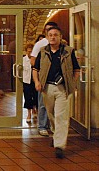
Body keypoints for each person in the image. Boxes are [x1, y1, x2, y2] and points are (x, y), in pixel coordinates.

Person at [32, 26, 80, 158]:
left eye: (55, 35)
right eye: (50, 35)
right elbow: (35, 69)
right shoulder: (43, 52)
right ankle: (55, 133)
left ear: (60, 37)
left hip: (62, 89)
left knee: (61, 116)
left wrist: (73, 83)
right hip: (47, 88)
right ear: (47, 37)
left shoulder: (68, 52)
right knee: (51, 114)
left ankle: (59, 145)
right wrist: (37, 82)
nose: (53, 37)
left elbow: (76, 69)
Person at [30, 21, 57, 136]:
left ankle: (53, 125)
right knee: (43, 103)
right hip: (44, 78)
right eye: (48, 30)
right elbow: (33, 61)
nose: (51, 33)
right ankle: (42, 126)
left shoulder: (62, 46)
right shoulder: (40, 45)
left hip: (57, 80)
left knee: (56, 104)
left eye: (52, 30)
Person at [23, 43, 38, 123]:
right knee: (28, 97)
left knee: (36, 96)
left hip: (35, 81)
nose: (30, 53)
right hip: (27, 81)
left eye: (31, 51)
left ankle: (35, 110)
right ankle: (29, 113)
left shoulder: (36, 59)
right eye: (28, 51)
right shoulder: (23, 60)